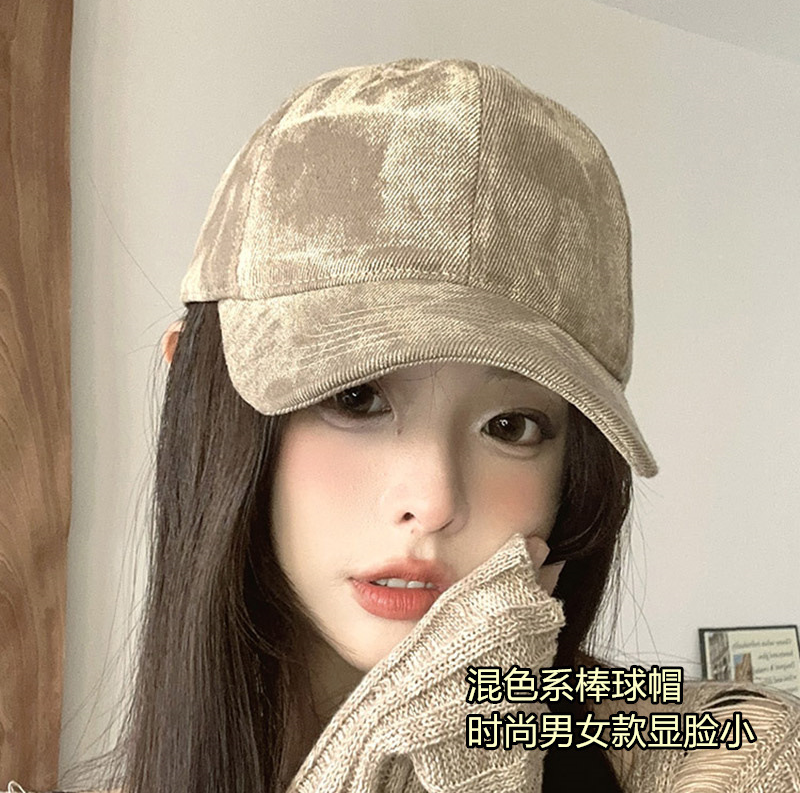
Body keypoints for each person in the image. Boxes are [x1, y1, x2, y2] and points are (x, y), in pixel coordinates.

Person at [20, 57, 798, 793]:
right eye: (356, 397)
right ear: (204, 406)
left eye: (513, 425)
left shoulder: (722, 752)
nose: (433, 501)